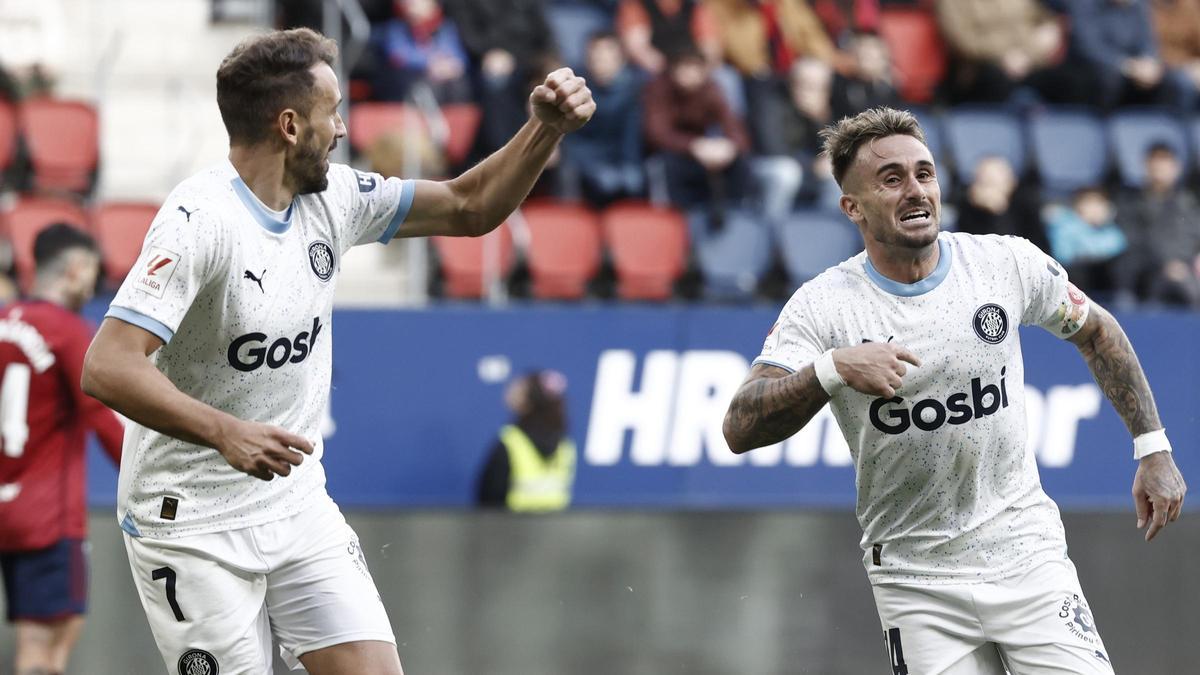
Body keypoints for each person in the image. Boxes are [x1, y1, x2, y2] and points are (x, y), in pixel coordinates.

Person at [80, 27, 593, 675]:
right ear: (290, 126)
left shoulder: (335, 198)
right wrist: (224, 431)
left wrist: (542, 129)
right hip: (188, 522)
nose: (345, 130)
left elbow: (470, 205)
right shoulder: (198, 222)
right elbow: (107, 363)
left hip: (294, 502)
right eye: (334, 113)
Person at [722, 107, 1186, 674]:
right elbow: (739, 427)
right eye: (890, 179)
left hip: (1026, 556)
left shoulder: (1003, 263)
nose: (916, 191)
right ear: (852, 207)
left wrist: (1152, 447)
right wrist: (832, 369)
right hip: (916, 582)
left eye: (924, 173)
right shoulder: (825, 306)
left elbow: (1098, 331)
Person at [0, 224, 123, 675]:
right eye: (91, 270)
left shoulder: (4, 320)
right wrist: (148, 482)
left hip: (8, 507)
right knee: (44, 651)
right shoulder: (70, 332)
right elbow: (104, 420)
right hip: (47, 518)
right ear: (75, 269)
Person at [562, 30, 645, 207]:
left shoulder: (633, 90)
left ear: (620, 59)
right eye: (596, 56)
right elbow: (572, 139)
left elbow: (631, 137)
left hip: (619, 159)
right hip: (587, 163)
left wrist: (629, 166)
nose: (602, 62)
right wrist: (594, 167)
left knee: (633, 181)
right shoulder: (575, 89)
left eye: (608, 56)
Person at [1114, 141, 1200, 307]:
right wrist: (1166, 264)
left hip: (1184, 269)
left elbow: (1192, 236)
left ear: (1176, 167)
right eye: (1155, 162)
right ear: (1146, 165)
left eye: (1165, 161)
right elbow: (1133, 239)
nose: (1159, 167)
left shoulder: (1189, 203)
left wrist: (1180, 264)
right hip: (1144, 272)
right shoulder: (1129, 202)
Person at [476, 370, 576, 511]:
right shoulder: (565, 445)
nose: (510, 394)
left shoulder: (510, 443)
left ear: (528, 401)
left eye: (518, 390)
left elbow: (489, 498)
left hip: (511, 529)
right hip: (555, 528)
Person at [1043, 186, 1128, 298]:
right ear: (1077, 206)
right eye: (1089, 203)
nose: (1095, 209)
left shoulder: (1110, 228)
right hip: (1075, 277)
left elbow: (1119, 246)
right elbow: (1063, 255)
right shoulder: (1063, 225)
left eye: (1099, 203)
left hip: (1104, 277)